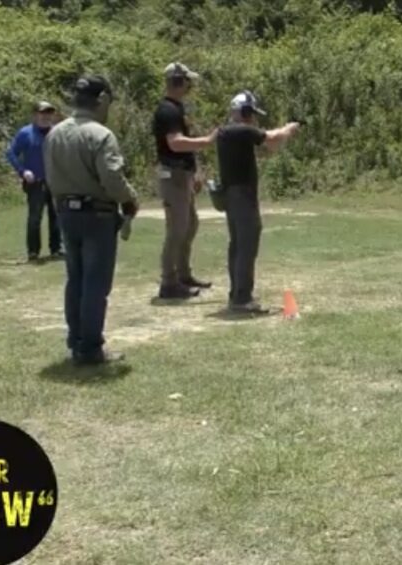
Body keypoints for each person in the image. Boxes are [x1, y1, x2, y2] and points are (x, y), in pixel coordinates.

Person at [44, 75, 139, 366]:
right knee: (96, 283)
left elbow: (50, 176)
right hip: (97, 214)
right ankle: (91, 348)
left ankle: (77, 341)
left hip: (66, 214)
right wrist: (129, 199)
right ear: (102, 100)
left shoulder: (54, 133)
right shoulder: (100, 135)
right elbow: (111, 177)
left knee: (76, 280)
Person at [215, 91, 299, 313]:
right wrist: (288, 130)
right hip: (242, 195)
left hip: (233, 195)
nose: (253, 118)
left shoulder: (228, 132)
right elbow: (271, 139)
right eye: (250, 113)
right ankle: (242, 298)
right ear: (244, 112)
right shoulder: (240, 130)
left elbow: (267, 147)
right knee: (246, 244)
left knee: (238, 244)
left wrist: (281, 136)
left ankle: (237, 294)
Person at [152, 62, 216, 299]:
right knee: (177, 229)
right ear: (180, 81)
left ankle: (183, 274)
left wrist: (196, 171)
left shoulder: (176, 108)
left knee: (190, 225)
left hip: (182, 174)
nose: (190, 85)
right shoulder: (168, 110)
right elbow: (175, 143)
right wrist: (207, 141)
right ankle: (169, 282)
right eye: (188, 80)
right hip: (174, 176)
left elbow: (183, 145)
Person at [6, 101, 62, 262]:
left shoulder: (57, 132)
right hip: (35, 182)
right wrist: (23, 171)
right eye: (43, 113)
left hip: (55, 181)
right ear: (35, 115)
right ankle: (33, 251)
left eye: (49, 113)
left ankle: (57, 249)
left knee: (57, 216)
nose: (46, 117)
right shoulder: (25, 133)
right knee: (35, 218)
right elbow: (11, 153)